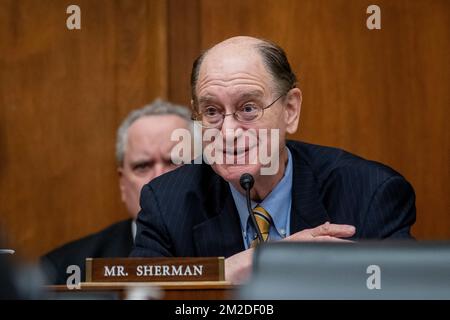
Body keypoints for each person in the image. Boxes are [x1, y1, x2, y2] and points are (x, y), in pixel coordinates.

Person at [130, 36, 416, 284]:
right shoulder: (167, 202)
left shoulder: (369, 192)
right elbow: (140, 290)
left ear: (290, 110)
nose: (228, 133)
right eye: (212, 112)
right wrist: (235, 268)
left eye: (249, 108)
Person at [41, 99, 192, 284]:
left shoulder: (234, 258)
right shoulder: (64, 270)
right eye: (143, 166)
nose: (158, 179)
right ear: (123, 183)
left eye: (174, 162)